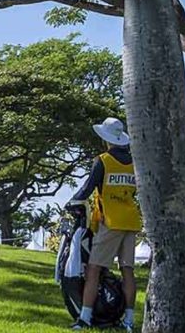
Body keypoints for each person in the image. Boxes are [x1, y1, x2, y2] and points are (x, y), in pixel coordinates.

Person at [68, 117, 142, 332]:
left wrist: (72, 201)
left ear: (106, 139)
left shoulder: (104, 160)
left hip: (111, 221)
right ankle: (128, 321)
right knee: (128, 270)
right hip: (131, 220)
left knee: (94, 269)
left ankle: (85, 318)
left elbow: (88, 188)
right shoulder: (134, 162)